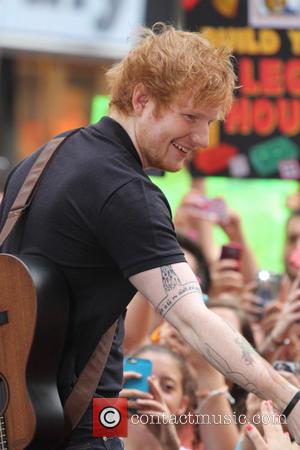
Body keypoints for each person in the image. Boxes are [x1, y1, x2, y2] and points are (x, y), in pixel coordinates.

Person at [0, 23, 300, 449]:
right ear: (141, 99)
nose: (201, 138)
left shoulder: (43, 156)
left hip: (22, 416)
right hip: (77, 429)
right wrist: (288, 398)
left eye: (210, 122)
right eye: (191, 116)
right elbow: (193, 320)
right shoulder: (127, 193)